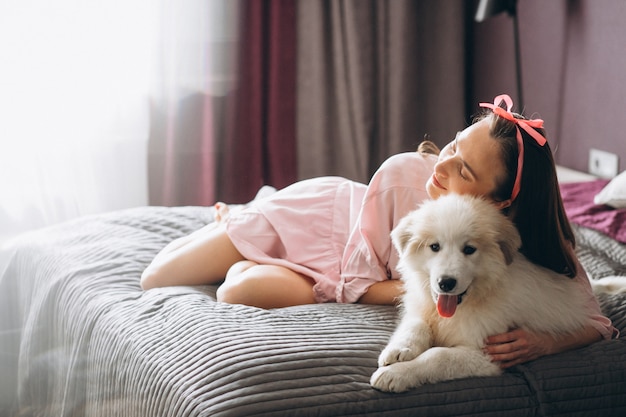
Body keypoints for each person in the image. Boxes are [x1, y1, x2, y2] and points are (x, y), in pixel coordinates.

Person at [141, 94, 617, 369]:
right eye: (453, 145)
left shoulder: (517, 237)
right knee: (156, 278)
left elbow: (598, 322)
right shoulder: (405, 173)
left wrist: (548, 342)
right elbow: (359, 282)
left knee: (238, 288)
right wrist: (434, 292)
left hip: (345, 263)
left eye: (464, 172)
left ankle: (249, 242)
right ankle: (248, 216)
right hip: (325, 220)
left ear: (499, 205)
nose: (442, 163)